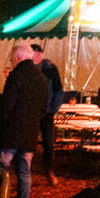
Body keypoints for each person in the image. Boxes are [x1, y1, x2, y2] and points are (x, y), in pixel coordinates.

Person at [0, 42, 49, 198]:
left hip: (10, 134)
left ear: (18, 57)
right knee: (25, 174)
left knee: (2, 171)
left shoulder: (15, 76)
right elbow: (45, 107)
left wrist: (1, 124)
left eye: (12, 58)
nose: (11, 60)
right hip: (30, 134)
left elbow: (7, 107)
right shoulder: (41, 78)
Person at [32, 44, 65, 184]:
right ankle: (25, 172)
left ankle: (49, 171)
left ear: (41, 54)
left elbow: (58, 90)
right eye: (33, 54)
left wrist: (53, 108)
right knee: (28, 144)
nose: (36, 56)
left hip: (47, 113)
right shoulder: (27, 69)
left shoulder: (50, 69)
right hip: (31, 113)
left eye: (38, 53)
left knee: (49, 144)